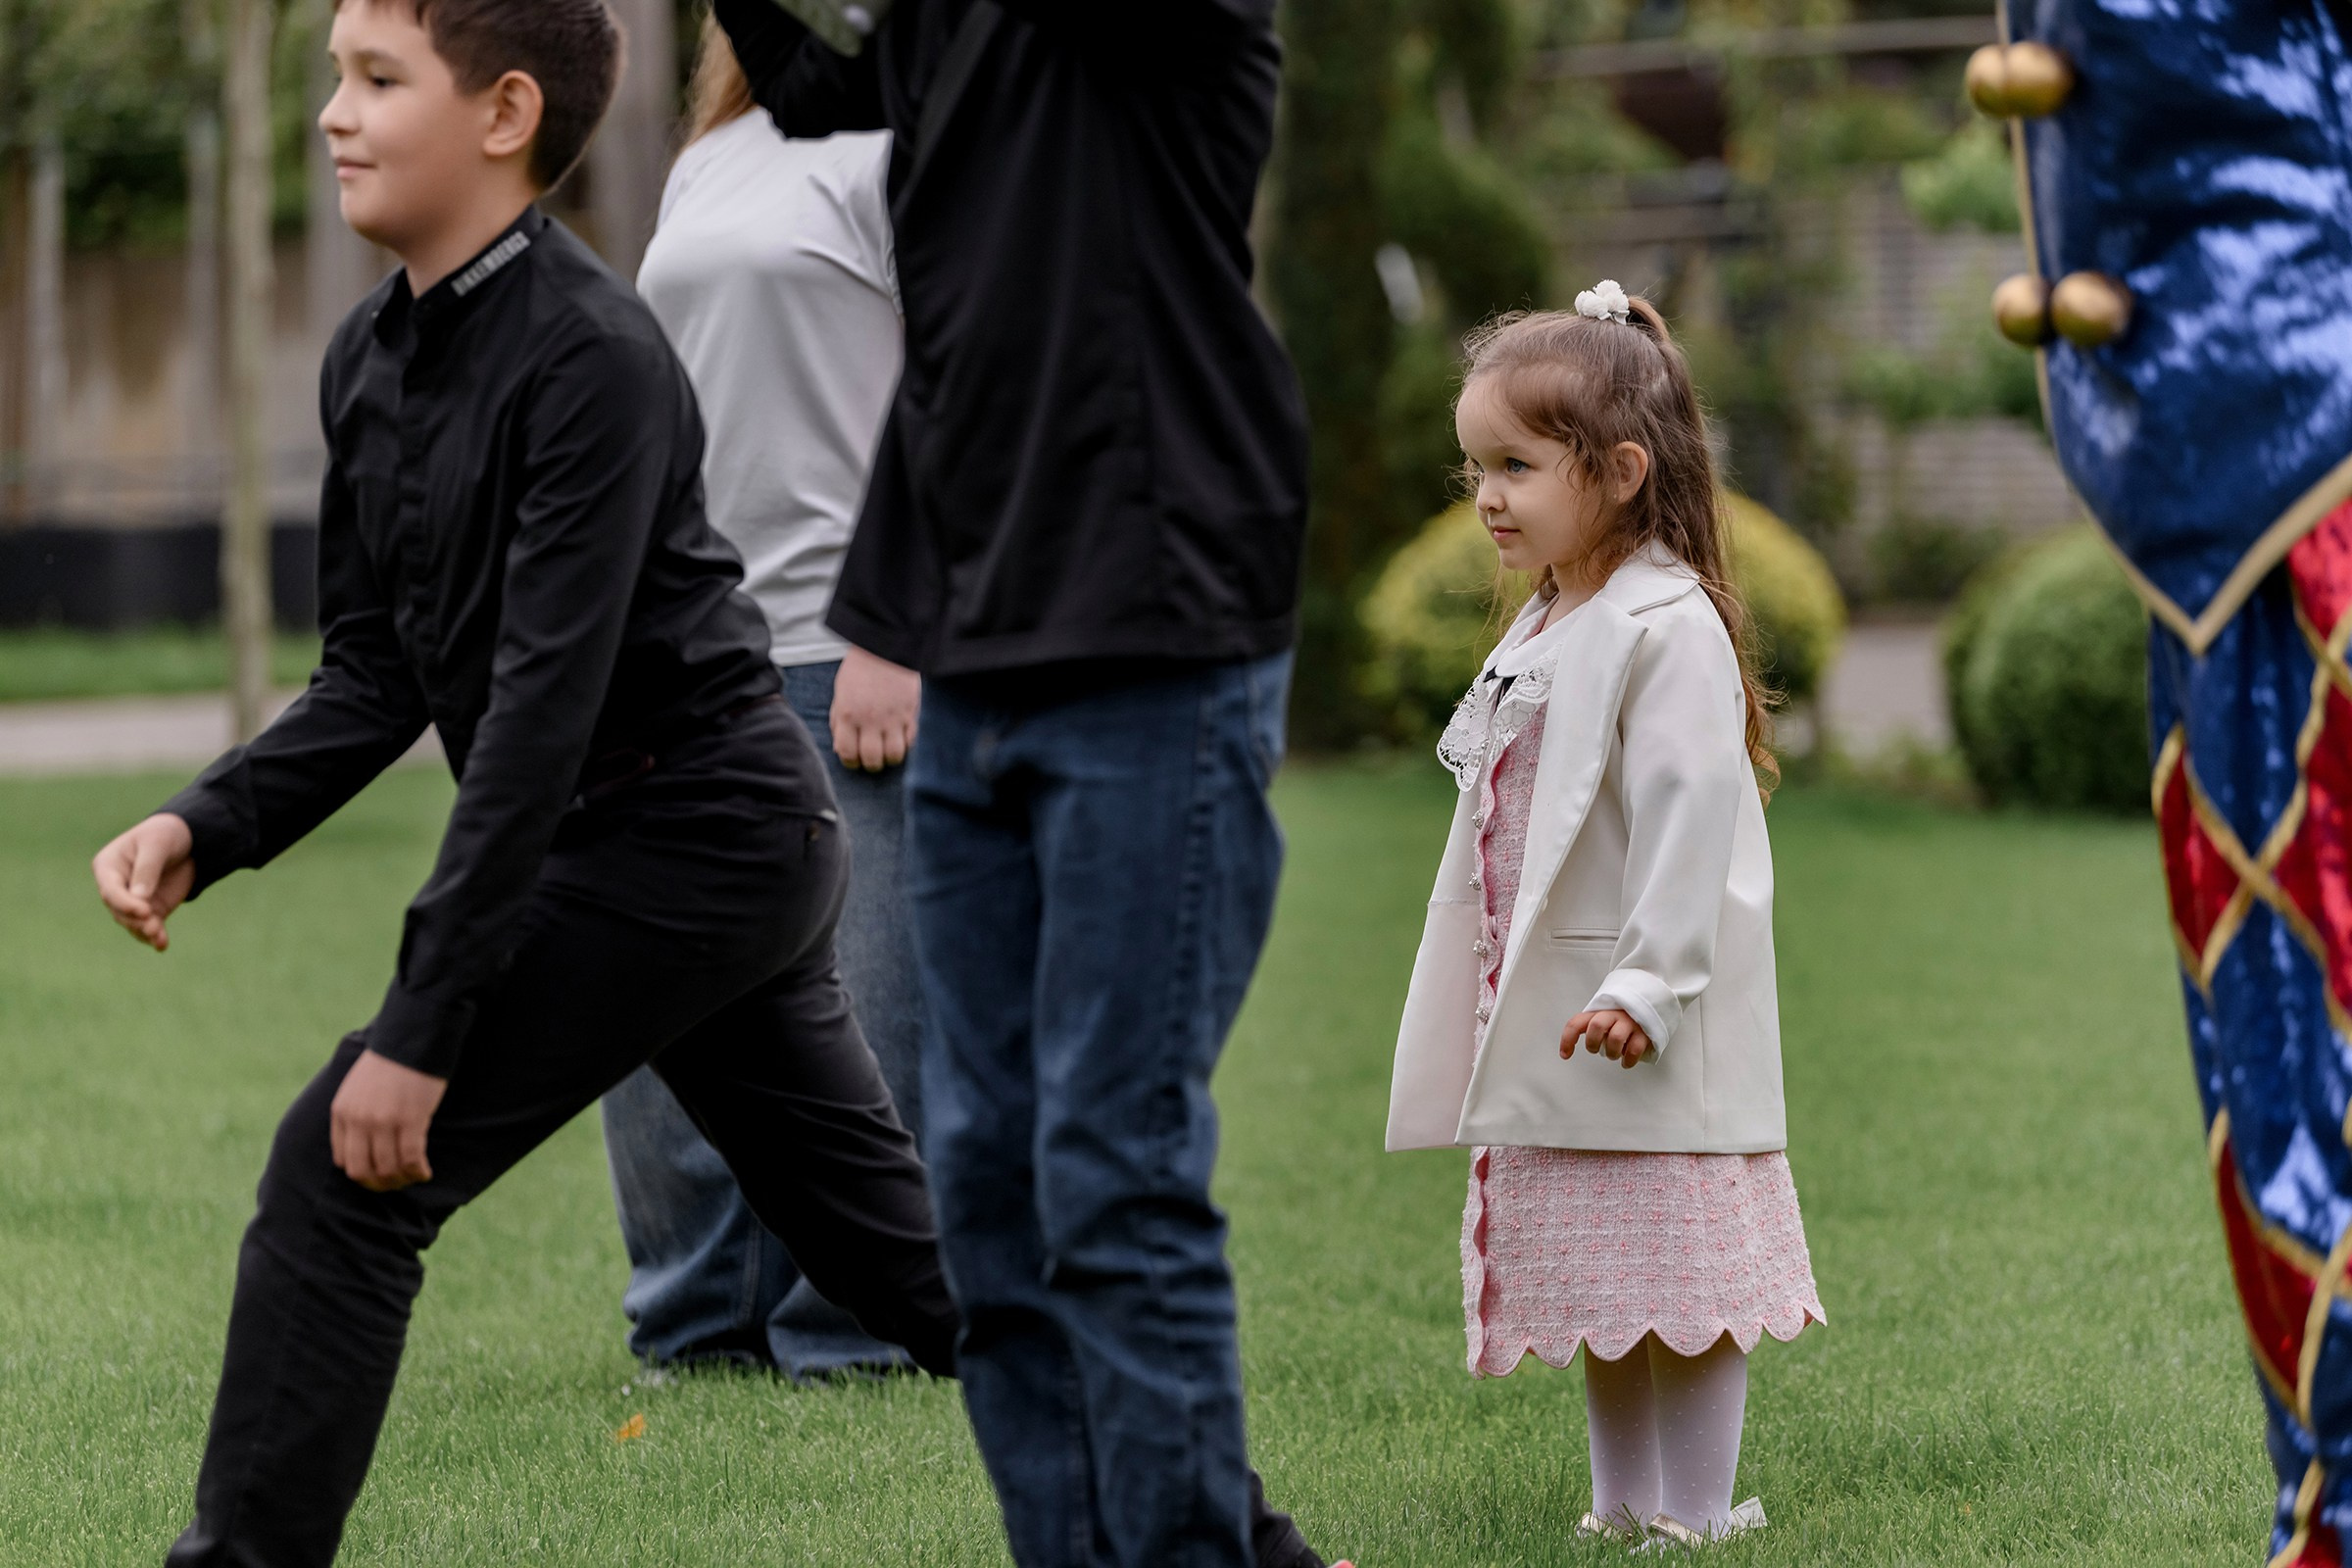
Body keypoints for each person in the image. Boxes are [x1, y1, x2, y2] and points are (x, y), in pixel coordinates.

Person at [88, 3, 958, 1561]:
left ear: (503, 114)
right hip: (676, 852)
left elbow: (540, 721)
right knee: (914, 1272)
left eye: (374, 81)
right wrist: (202, 823)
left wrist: (421, 1033)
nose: (333, 118)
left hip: (698, 836)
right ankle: (1237, 1533)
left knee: (339, 1183)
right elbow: (378, 675)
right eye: (333, 79)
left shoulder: (594, 358)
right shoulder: (369, 356)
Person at [707, 5, 1336, 1566]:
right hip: (965, 617)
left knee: (1112, 1172)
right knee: (985, 1197)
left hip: (1152, 612)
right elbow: (803, 83)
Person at [1384, 287, 1827, 1548]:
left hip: (1638, 1008)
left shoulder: (1664, 623)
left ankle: (1694, 1509)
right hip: (1557, 1009)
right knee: (1606, 1278)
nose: (1486, 497)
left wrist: (1647, 983)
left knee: (1681, 1274)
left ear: (1623, 471)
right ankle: (1621, 1500)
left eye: (1516, 465)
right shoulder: (1548, 618)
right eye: (1475, 467)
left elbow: (1697, 825)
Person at [600, 18, 923, 1380]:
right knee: (652, 1009)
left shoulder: (921, 139)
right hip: (690, 646)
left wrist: (897, 626)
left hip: (848, 647)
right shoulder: (710, 155)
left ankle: (850, 1333)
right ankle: (694, 1325)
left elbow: (962, 393)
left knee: (857, 1017)